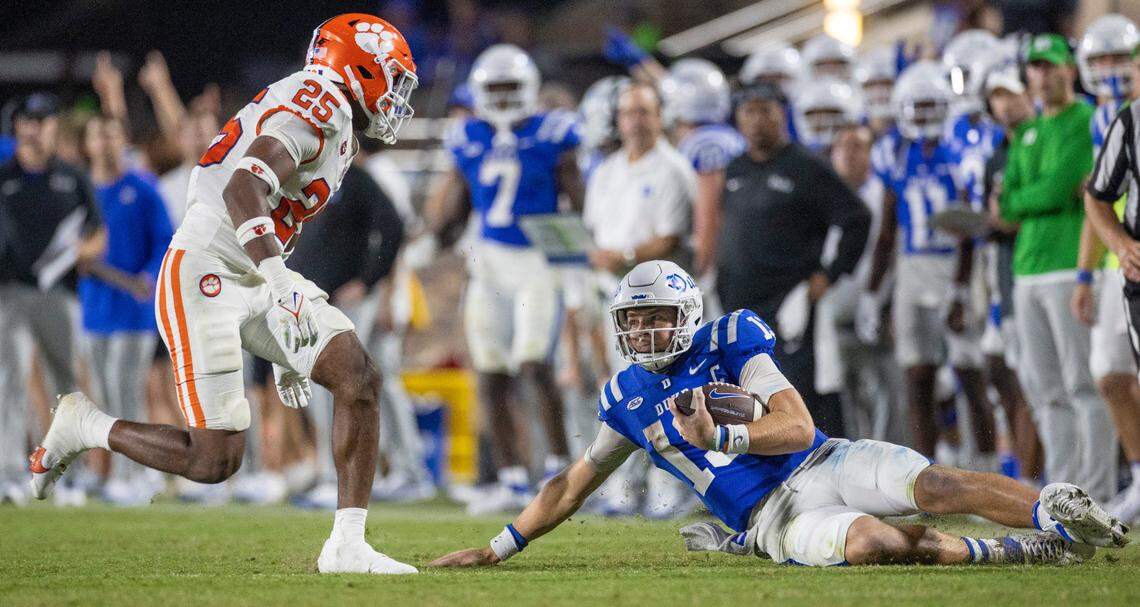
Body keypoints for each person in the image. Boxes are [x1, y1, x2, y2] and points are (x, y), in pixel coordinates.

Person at [29, 13, 422, 574]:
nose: (396, 98)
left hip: (255, 266)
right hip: (207, 268)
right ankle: (85, 426)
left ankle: (347, 545)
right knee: (215, 460)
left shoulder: (336, 119)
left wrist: (283, 327)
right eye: (392, 78)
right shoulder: (324, 102)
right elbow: (245, 186)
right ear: (358, 70)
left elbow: (269, 208)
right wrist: (282, 284)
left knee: (356, 374)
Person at [429, 260, 1129, 569]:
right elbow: (570, 487)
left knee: (934, 488)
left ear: (690, 316)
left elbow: (795, 426)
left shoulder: (732, 337)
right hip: (772, 514)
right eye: (633, 323)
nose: (644, 334)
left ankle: (1052, 510)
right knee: (875, 545)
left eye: (657, 320)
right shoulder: (625, 398)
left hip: (819, 458)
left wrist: (723, 433)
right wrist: (498, 547)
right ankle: (1009, 550)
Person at [421, 44, 581, 513]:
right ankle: (511, 478)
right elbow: (459, 205)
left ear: (530, 88)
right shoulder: (466, 135)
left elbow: (578, 198)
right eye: (497, 89)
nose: (506, 97)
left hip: (538, 258)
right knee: (489, 371)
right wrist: (435, 238)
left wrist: (577, 261)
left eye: (513, 88)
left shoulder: (554, 132)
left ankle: (558, 468)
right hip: (489, 259)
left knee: (535, 364)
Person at [716, 82, 870, 439]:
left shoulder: (806, 167)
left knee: (802, 396)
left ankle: (828, 470)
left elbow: (857, 219)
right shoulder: (736, 168)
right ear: (737, 120)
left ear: (782, 114)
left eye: (764, 110)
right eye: (748, 112)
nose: (756, 120)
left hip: (790, 308)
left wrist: (831, 275)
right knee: (749, 401)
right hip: (742, 306)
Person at [863, 61, 997, 468]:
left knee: (968, 371)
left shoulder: (961, 153)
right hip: (911, 268)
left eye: (930, 107)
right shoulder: (894, 154)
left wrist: (959, 291)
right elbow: (887, 231)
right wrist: (873, 292)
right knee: (917, 375)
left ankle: (988, 467)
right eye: (915, 108)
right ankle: (927, 472)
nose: (922, 117)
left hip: (955, 266)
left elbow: (971, 228)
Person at [999, 33, 1114, 502]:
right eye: (1036, 67)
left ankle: (1099, 489)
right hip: (1027, 269)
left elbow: (1054, 188)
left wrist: (1029, 200)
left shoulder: (1086, 120)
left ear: (1070, 69)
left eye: (1051, 66)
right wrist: (1033, 198)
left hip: (1071, 265)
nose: (1043, 75)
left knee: (1083, 384)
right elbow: (1008, 201)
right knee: (1046, 388)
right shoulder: (1028, 130)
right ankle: (1065, 487)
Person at [583, 81, 696, 518]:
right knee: (621, 393)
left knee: (664, 392)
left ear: (659, 116)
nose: (636, 121)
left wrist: (625, 257)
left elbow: (671, 237)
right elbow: (596, 232)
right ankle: (623, 489)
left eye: (645, 112)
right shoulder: (608, 169)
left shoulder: (672, 168)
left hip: (659, 301)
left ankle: (671, 486)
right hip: (615, 298)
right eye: (629, 112)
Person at [0, 92, 104, 506]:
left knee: (68, 386)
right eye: (28, 120)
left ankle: (71, 475)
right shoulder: (3, 175)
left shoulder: (73, 177)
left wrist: (79, 252)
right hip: (11, 293)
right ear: (17, 127)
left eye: (42, 120)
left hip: (60, 295)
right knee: (8, 382)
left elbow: (97, 234)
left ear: (53, 127)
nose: (35, 127)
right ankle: (8, 473)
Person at [78, 113, 173, 505]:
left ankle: (130, 474)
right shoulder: (82, 190)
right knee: (102, 395)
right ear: (88, 145)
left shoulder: (143, 189)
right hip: (94, 308)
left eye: (113, 135)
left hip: (134, 309)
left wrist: (150, 277)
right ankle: (132, 471)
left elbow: (165, 240)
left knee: (126, 391)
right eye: (99, 136)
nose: (106, 143)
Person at [1072, 15, 1140, 521]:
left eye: (1119, 58)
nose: (1111, 70)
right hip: (1126, 260)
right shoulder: (1117, 120)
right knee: (1108, 375)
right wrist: (1089, 268)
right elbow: (1095, 199)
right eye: (1100, 60)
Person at [981, 65, 1042, 485]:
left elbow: (1013, 214)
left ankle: (1036, 478)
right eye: (996, 96)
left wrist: (1015, 211)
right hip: (1009, 273)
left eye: (1011, 94)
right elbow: (998, 217)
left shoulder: (1045, 138)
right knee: (1012, 377)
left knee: (1041, 384)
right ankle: (1026, 478)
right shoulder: (998, 154)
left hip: (1046, 267)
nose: (1004, 105)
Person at [658, 59, 744, 279]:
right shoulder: (727, 135)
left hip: (723, 257)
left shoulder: (703, 144)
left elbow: (710, 210)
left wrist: (702, 267)